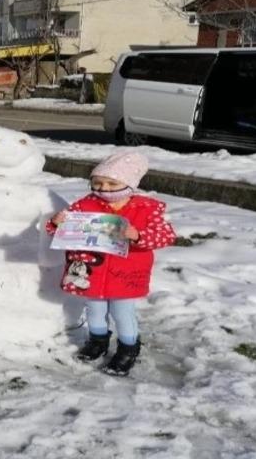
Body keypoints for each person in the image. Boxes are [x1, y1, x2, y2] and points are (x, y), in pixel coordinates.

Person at [46, 151, 175, 376]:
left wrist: (138, 235)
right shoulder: (85, 204)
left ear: (129, 184)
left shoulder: (147, 209)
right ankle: (98, 341)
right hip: (91, 271)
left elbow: (166, 236)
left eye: (111, 183)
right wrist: (56, 223)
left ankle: (128, 348)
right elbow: (60, 231)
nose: (103, 188)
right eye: (97, 183)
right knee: (94, 310)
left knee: (122, 312)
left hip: (125, 272)